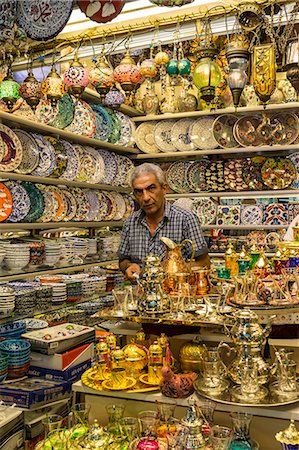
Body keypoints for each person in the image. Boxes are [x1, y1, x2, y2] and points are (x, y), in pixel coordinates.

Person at [118, 163, 210, 282]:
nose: (146, 197)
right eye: (139, 192)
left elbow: (204, 263)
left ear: (164, 189)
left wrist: (173, 270)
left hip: (175, 295)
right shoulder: (130, 223)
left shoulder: (185, 219)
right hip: (141, 294)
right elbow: (122, 261)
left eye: (151, 188)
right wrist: (129, 267)